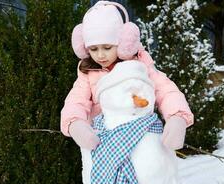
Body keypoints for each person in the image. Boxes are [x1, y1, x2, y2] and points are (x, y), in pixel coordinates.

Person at [60, 0, 194, 151]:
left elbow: (164, 88)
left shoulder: (139, 64)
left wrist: (177, 117)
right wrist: (75, 123)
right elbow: (76, 99)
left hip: (140, 137)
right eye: (93, 49)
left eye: (107, 47)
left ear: (123, 42)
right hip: (103, 140)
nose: (100, 55)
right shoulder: (88, 71)